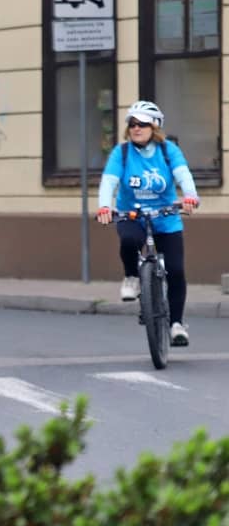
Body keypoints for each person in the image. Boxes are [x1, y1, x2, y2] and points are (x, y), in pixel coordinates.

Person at [95, 100, 199, 346]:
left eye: (142, 124)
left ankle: (176, 324)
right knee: (129, 239)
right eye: (132, 124)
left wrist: (190, 197)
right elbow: (109, 181)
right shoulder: (121, 153)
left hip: (166, 216)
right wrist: (104, 206)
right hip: (132, 215)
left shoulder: (168, 151)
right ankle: (132, 276)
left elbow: (183, 174)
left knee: (175, 270)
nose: (136, 128)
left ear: (155, 127)